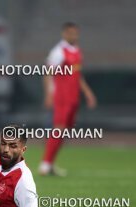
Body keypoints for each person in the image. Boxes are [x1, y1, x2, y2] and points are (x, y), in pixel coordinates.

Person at [39, 22, 97, 176]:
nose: (73, 36)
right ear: (64, 33)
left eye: (75, 33)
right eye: (70, 33)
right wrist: (49, 94)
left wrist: (88, 93)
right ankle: (45, 164)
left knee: (64, 131)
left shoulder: (77, 51)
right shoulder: (59, 51)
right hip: (62, 96)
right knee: (59, 128)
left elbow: (78, 76)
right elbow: (47, 73)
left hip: (73, 97)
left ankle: (50, 163)